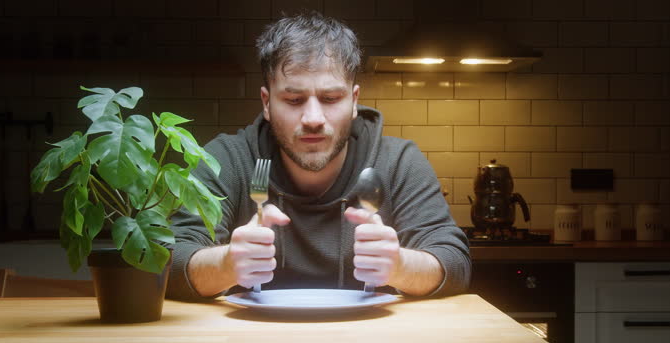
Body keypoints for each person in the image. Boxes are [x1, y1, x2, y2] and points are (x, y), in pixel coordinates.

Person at [167, 11, 470, 302]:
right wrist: (225, 264)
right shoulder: (227, 158)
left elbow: (455, 263)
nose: (313, 117)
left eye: (331, 98)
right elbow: (167, 259)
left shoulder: (400, 161)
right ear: (267, 103)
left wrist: (401, 266)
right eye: (294, 99)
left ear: (353, 101)